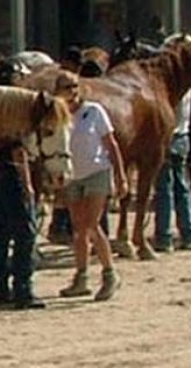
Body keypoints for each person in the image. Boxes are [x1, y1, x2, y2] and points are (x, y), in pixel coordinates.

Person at [54, 70, 127, 302]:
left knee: (92, 224)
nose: (72, 92)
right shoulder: (58, 115)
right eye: (66, 87)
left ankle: (109, 274)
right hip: (73, 175)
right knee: (79, 229)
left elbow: (111, 144)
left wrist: (120, 175)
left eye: (74, 86)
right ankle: (82, 276)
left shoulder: (94, 111)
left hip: (97, 172)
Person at [0, 137, 44, 309]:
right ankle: (23, 290)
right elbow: (19, 152)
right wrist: (28, 185)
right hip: (13, 179)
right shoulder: (16, 122)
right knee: (25, 235)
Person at [156, 35, 191, 252]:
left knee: (164, 188)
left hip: (169, 136)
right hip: (183, 135)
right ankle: (188, 233)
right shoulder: (187, 81)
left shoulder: (171, 83)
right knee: (182, 186)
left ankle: (164, 236)